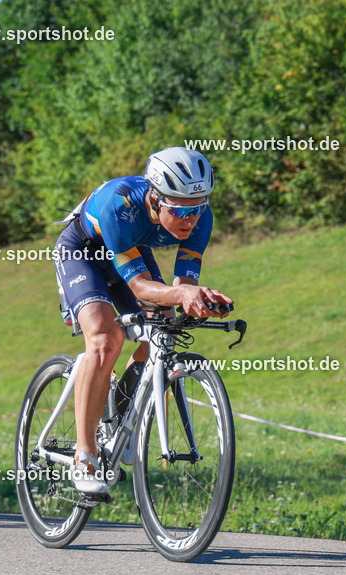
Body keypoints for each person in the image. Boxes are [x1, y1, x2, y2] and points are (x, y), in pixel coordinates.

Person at [53, 147, 233, 494]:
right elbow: (138, 286)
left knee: (164, 330)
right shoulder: (120, 205)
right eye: (180, 210)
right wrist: (180, 296)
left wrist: (199, 301)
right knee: (106, 339)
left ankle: (121, 410)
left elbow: (182, 286)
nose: (190, 220)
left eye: (197, 209)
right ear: (155, 198)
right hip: (83, 253)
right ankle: (84, 453)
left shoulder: (200, 216)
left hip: (130, 251)